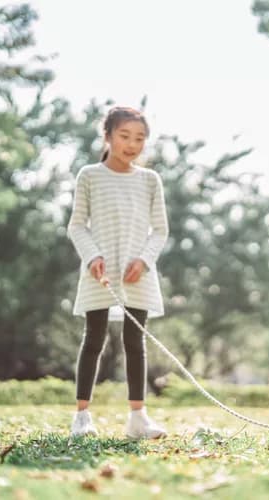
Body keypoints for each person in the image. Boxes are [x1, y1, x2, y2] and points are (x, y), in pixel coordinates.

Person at [66, 106, 168, 439]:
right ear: (107, 136)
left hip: (137, 273)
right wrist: (92, 256)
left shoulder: (150, 180)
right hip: (100, 272)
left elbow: (160, 231)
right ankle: (82, 417)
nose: (132, 144)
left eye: (139, 138)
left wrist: (143, 260)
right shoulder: (89, 176)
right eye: (124, 136)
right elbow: (77, 226)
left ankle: (138, 418)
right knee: (93, 338)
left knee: (135, 341)